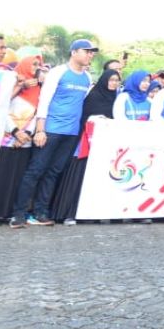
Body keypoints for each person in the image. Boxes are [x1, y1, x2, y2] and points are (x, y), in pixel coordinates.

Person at [9, 39, 97, 228]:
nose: (90, 55)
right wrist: (40, 130)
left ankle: (41, 212)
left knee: (54, 172)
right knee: (35, 171)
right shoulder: (58, 72)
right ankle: (19, 214)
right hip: (50, 129)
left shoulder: (87, 77)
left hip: (71, 132)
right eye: (87, 51)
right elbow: (44, 100)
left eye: (92, 52)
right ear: (74, 52)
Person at [52, 69, 120, 225]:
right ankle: (68, 212)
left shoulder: (115, 99)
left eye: (117, 80)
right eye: (111, 80)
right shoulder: (94, 96)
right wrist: (95, 119)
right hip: (84, 143)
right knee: (77, 176)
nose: (114, 83)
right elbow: (83, 116)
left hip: (102, 146)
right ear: (104, 80)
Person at [0, 55, 43, 224]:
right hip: (5, 137)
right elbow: (1, 108)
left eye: (39, 65)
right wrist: (15, 131)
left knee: (15, 179)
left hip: (24, 141)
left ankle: (5, 213)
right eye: (33, 64)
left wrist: (26, 135)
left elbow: (39, 115)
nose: (36, 67)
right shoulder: (13, 85)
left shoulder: (40, 89)